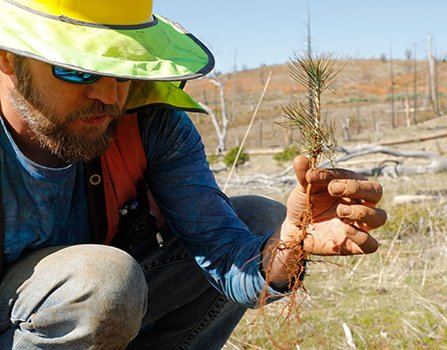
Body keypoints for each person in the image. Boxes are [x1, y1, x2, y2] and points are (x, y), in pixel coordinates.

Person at [0, 0, 387, 349]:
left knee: (259, 220)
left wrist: (294, 240)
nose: (108, 94)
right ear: (8, 58)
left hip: (99, 308)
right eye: (77, 70)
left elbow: (227, 258)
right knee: (100, 279)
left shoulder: (150, 123)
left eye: (122, 69)